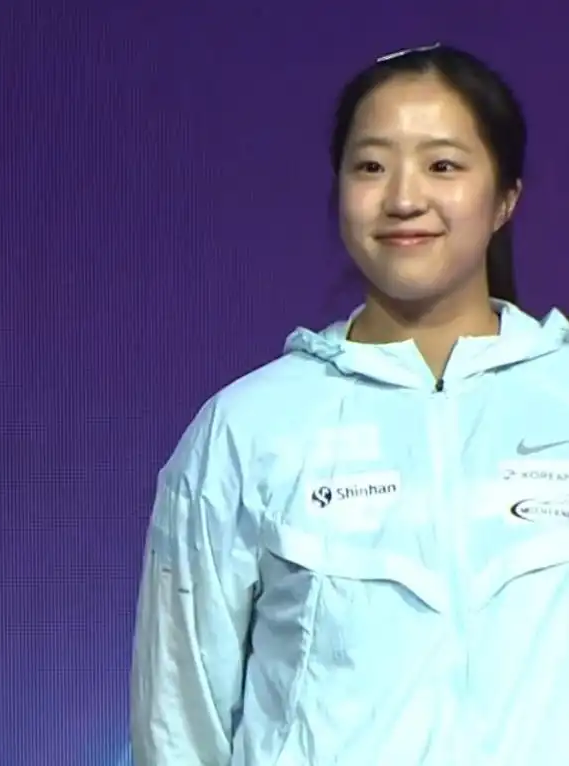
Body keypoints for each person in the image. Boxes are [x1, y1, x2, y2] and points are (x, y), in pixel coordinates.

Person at [130, 44, 569, 764]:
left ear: (505, 198)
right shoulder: (246, 429)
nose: (403, 198)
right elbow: (178, 727)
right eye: (370, 166)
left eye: (442, 165)